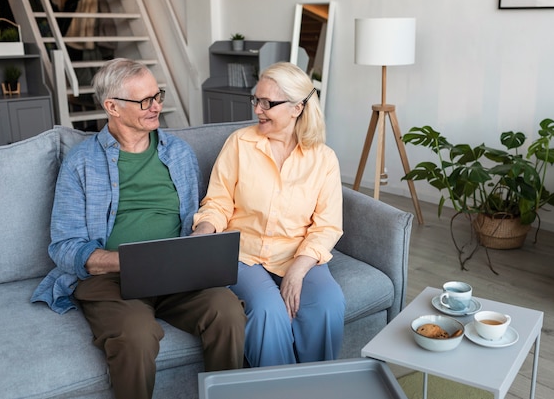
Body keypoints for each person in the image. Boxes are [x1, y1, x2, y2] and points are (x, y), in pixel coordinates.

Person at [31, 58, 246, 399]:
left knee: (228, 309)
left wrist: (200, 238)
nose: (157, 106)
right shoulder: (81, 163)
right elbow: (64, 246)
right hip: (109, 281)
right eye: (145, 100)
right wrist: (130, 261)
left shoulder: (178, 153)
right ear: (112, 107)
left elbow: (198, 214)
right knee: (136, 334)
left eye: (157, 95)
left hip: (177, 274)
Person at [192, 61, 345, 367]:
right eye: (256, 100)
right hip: (242, 253)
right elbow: (219, 202)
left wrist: (298, 271)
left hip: (297, 252)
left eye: (267, 103)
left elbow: (327, 226)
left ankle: (315, 388)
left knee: (329, 304)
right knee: (267, 311)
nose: (258, 110)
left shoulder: (324, 159)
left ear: (297, 108)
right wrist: (203, 233)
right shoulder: (240, 144)